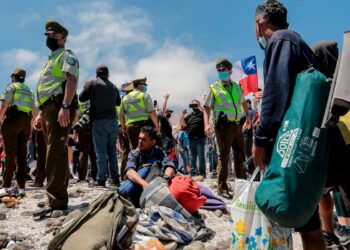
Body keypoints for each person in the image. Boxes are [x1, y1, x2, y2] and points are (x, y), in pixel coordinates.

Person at [252, 1, 325, 249]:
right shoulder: (294, 40)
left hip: (293, 146)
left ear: (259, 23)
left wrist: (260, 141)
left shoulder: (281, 40)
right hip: (307, 141)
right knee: (309, 223)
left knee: (304, 221)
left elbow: (276, 94)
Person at [33, 19, 79, 215]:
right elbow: (46, 87)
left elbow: (72, 79)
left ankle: (58, 200)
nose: (50, 37)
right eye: (48, 35)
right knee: (51, 151)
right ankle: (52, 196)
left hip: (58, 106)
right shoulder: (51, 59)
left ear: (63, 38)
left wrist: (65, 106)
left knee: (57, 152)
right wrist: (40, 113)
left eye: (54, 35)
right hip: (47, 109)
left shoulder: (66, 55)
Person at [203, 58, 251, 196]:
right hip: (223, 127)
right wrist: (206, 124)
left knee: (240, 155)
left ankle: (241, 185)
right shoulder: (214, 87)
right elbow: (206, 107)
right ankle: (222, 187)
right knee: (224, 157)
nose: (221, 72)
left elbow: (243, 103)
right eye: (219, 71)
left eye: (224, 70)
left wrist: (248, 118)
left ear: (230, 71)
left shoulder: (237, 86)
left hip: (237, 126)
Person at [79, 65, 121, 187]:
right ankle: (115, 179)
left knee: (100, 152)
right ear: (108, 75)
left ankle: (101, 179)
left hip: (99, 121)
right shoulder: (113, 86)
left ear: (96, 74)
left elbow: (81, 98)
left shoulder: (93, 83)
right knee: (112, 151)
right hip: (113, 121)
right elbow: (118, 102)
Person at [118, 126, 176, 207]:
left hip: (155, 186)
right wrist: (144, 184)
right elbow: (129, 171)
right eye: (139, 138)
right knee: (144, 169)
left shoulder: (158, 151)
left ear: (153, 142)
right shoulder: (134, 153)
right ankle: (121, 196)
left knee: (156, 165)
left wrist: (165, 179)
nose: (140, 142)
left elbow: (169, 165)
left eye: (143, 139)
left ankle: (121, 195)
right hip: (139, 188)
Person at [0, 68, 34, 197]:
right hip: (26, 123)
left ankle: (6, 185)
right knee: (22, 154)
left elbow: (4, 106)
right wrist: (30, 129)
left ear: (14, 77)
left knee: (10, 154)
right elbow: (33, 111)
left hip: (12, 122)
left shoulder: (11, 87)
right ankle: (21, 185)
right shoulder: (30, 91)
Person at [119, 77, 160, 150]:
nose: (145, 87)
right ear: (139, 85)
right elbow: (152, 111)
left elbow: (121, 115)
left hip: (130, 127)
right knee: (146, 148)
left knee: (135, 150)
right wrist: (157, 126)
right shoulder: (144, 95)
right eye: (144, 85)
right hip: (143, 126)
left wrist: (123, 128)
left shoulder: (125, 98)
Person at [183, 100, 207, 179]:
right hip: (191, 139)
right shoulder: (189, 116)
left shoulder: (202, 114)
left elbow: (206, 114)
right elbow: (183, 125)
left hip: (200, 138)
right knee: (191, 156)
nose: (194, 106)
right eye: (193, 104)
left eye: (195, 104)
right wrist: (182, 116)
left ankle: (202, 173)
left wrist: (199, 106)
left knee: (201, 156)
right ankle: (192, 173)